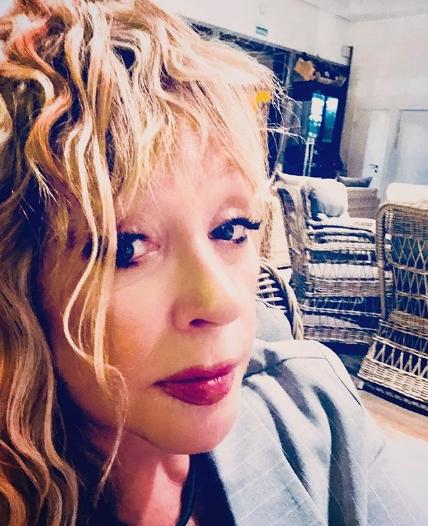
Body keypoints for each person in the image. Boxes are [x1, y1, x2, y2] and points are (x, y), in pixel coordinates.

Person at [0, 1, 424, 525]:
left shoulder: (315, 412)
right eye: (127, 247)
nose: (223, 303)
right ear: (18, 282)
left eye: (231, 229)